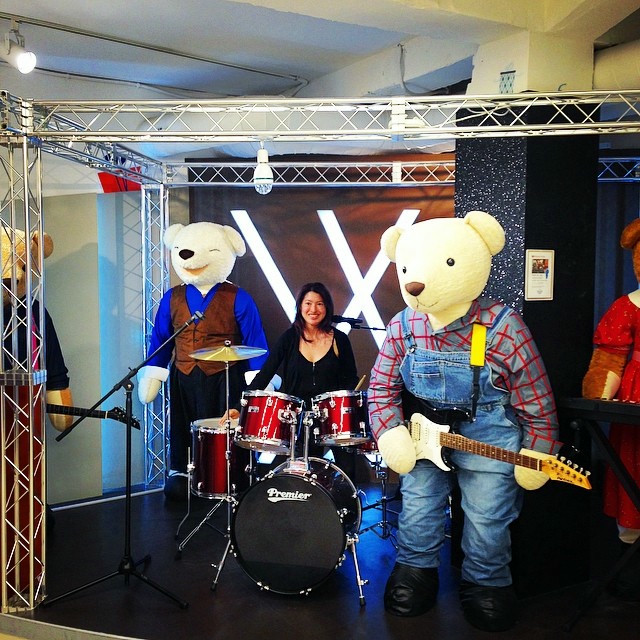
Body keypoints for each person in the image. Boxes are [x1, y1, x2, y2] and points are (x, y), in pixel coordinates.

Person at [226, 282, 361, 480]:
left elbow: (352, 378)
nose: (313, 309)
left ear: (327, 308)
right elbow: (264, 375)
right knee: (303, 475)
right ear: (300, 306)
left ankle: (346, 509)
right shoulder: (289, 338)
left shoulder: (339, 339)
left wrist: (342, 404)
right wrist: (239, 406)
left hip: (332, 416)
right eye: (308, 303)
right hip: (297, 418)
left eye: (319, 304)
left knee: (347, 471)